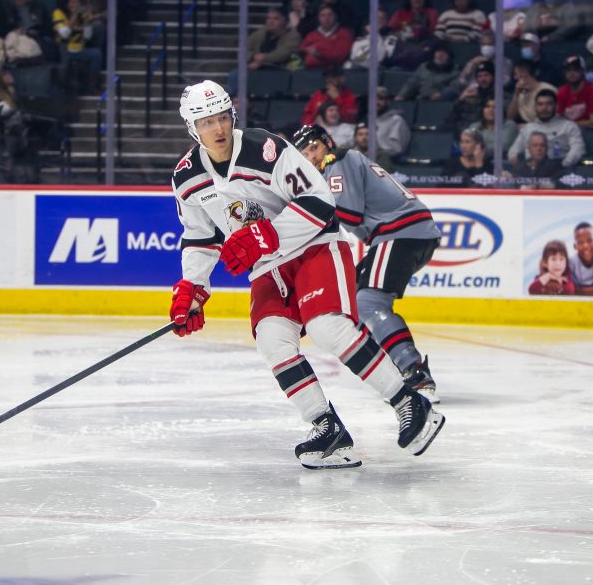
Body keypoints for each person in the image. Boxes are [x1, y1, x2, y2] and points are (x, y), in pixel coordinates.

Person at [168, 80, 444, 469]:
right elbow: (201, 237)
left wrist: (268, 233)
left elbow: (320, 200)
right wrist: (193, 288)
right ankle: (326, 427)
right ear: (191, 128)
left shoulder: (267, 149)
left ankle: (407, 401)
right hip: (268, 266)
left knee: (328, 327)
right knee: (271, 340)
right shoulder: (186, 177)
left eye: (222, 117)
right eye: (207, 122)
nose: (218, 129)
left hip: (314, 244)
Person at [294, 122, 442, 402]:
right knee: (352, 295)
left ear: (327, 144)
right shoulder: (343, 162)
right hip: (405, 233)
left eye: (314, 148)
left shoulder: (335, 161)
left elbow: (348, 214)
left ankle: (414, 372)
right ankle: (394, 366)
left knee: (368, 302)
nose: (312, 157)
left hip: (400, 233)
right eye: (304, 154)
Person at [507, 89, 586, 169]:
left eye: (549, 104)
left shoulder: (568, 126)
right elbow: (513, 151)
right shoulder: (527, 128)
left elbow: (578, 149)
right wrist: (522, 167)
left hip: (560, 171)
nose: (544, 108)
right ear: (535, 107)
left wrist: (563, 165)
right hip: (532, 173)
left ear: (556, 106)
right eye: (540, 104)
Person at [395, 41, 460, 101]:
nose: (440, 55)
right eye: (438, 51)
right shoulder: (424, 67)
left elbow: (453, 90)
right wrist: (401, 95)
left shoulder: (454, 73)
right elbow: (411, 84)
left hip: (440, 104)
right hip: (420, 101)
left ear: (450, 56)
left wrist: (441, 95)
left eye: (444, 52)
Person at [298, 5, 353, 70]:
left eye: (330, 15)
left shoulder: (344, 33)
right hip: (310, 72)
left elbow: (339, 57)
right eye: (322, 15)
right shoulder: (311, 35)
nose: (326, 18)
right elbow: (302, 50)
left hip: (335, 73)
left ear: (335, 16)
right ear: (318, 18)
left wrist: (319, 54)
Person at [556, 56, 593, 127]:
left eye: (575, 70)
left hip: (590, 132)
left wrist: (568, 125)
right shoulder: (561, 91)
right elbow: (558, 118)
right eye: (568, 70)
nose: (571, 73)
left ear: (583, 71)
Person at [506, 60, 556, 125]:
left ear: (524, 74)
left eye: (515, 74)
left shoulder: (548, 89)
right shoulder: (519, 92)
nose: (514, 78)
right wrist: (516, 94)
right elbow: (510, 117)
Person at [570, 222, 593, 296]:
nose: (585, 246)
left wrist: (576, 291)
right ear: (575, 246)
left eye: (589, 240)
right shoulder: (572, 261)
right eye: (580, 243)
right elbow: (569, 288)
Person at [373, 86, 411, 160]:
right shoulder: (368, 119)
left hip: (386, 162)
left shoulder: (396, 121)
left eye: (380, 99)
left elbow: (396, 149)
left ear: (388, 101)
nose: (376, 102)